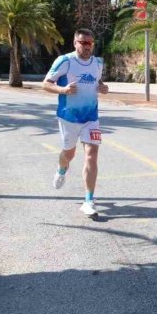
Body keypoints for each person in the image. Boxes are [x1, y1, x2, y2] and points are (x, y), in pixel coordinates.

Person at [44, 28, 109, 218]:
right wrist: (63, 90)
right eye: (83, 42)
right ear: (75, 43)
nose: (87, 46)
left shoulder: (98, 63)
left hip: (91, 118)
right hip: (68, 117)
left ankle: (88, 200)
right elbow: (45, 83)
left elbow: (97, 82)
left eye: (90, 43)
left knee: (91, 155)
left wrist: (103, 87)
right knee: (68, 154)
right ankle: (61, 169)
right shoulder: (65, 61)